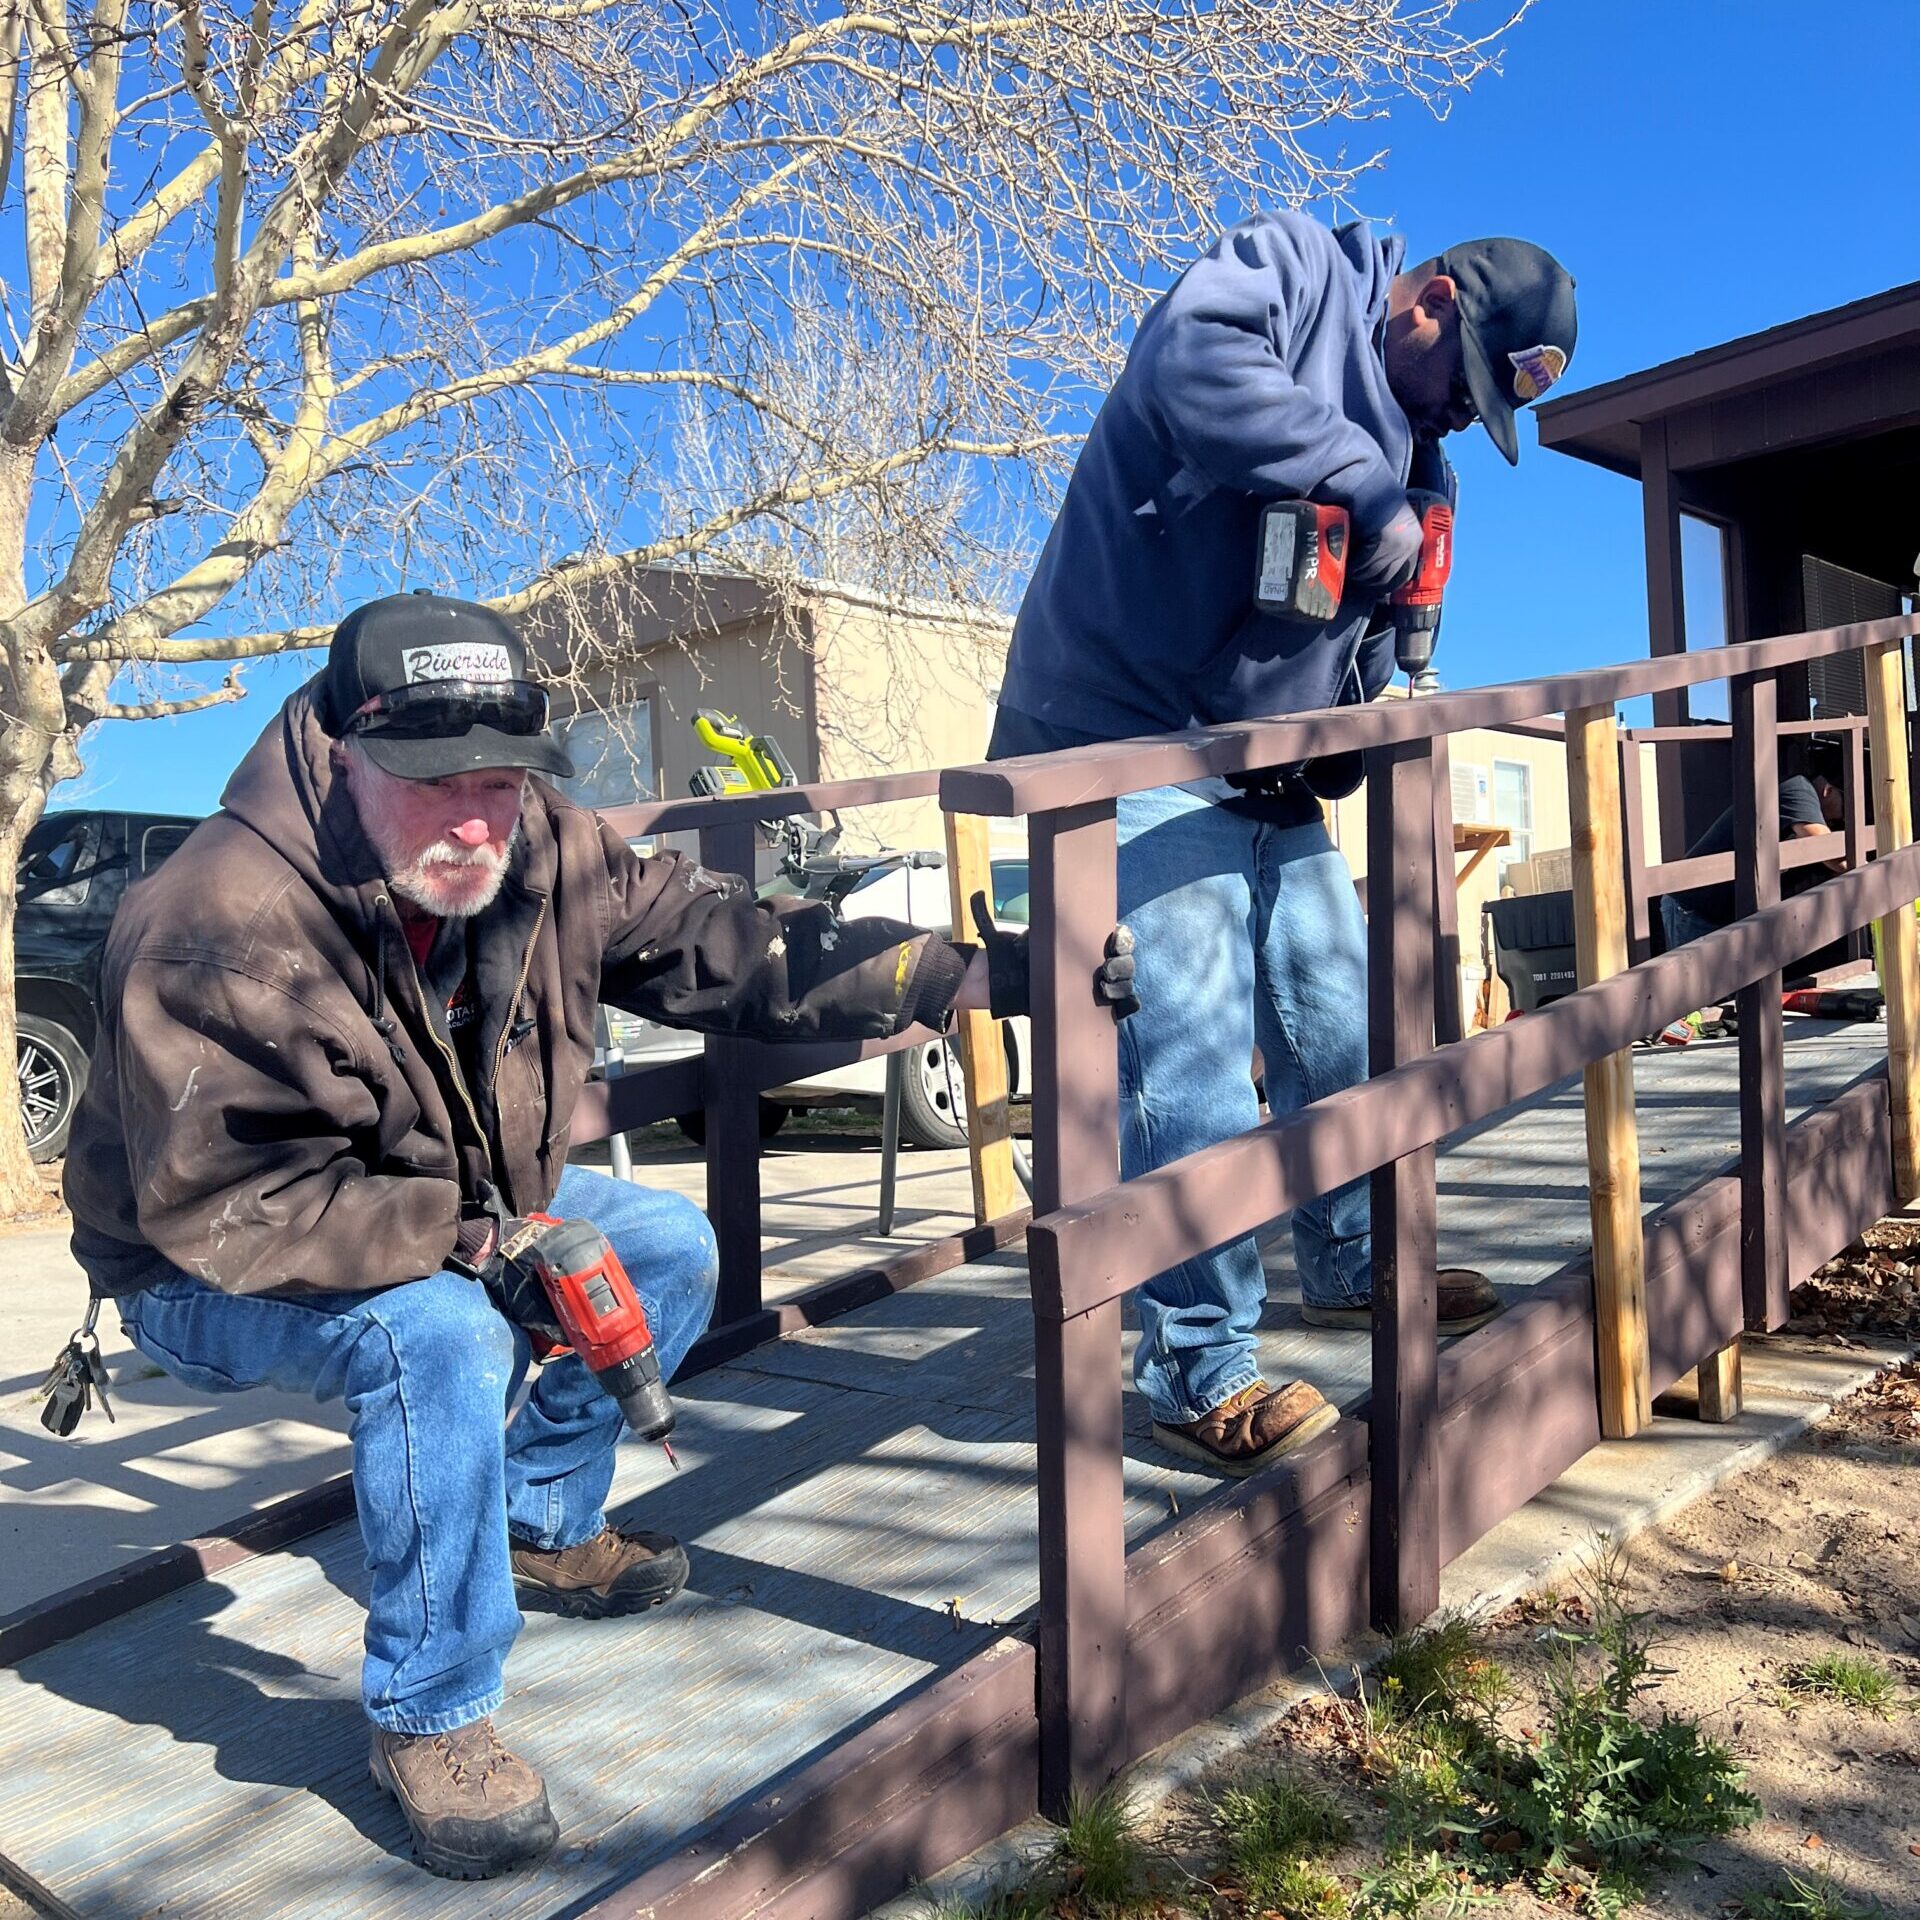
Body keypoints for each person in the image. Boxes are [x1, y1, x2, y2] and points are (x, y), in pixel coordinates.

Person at [61, 590, 1136, 1881]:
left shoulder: (546, 848)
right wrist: (476, 1246)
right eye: (428, 781)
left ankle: (535, 1525)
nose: (473, 817)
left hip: (452, 1208)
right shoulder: (217, 926)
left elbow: (722, 945)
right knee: (437, 1340)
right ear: (340, 753)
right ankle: (432, 1711)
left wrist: (971, 974)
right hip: (210, 1265)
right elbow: (235, 1206)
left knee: (667, 1247)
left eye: (502, 779)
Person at [990, 214, 1578, 1476]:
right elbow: (1188, 359)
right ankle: (1197, 1369)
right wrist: (1359, 484)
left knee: (1335, 1016)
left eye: (1486, 413)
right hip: (1117, 735)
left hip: (1257, 757)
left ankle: (1354, 1265)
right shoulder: (1295, 274)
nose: (1463, 423)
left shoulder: (1427, 461)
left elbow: (1370, 637)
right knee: (1191, 1051)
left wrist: (1368, 702)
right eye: (1464, 390)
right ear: (1428, 304)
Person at [1661, 748, 1846, 949]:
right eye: (1843, 810)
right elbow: (1826, 849)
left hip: (1717, 912)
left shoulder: (1795, 795)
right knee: (1702, 980)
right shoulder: (1798, 790)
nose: (1837, 820)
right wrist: (1870, 867)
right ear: (1829, 790)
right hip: (1695, 908)